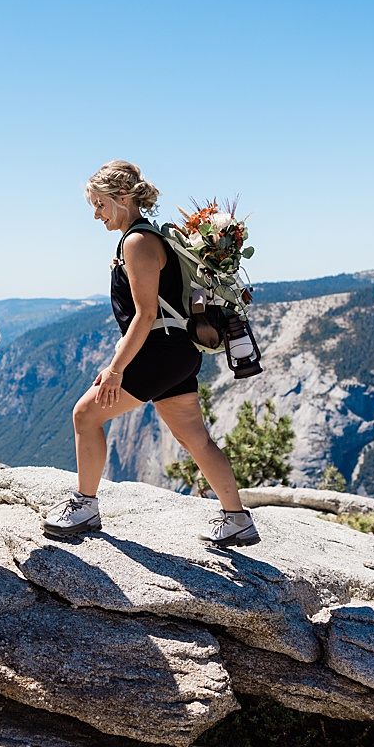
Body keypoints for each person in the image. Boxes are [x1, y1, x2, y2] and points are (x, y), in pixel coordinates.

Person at [40, 161, 258, 547]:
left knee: (85, 415)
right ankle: (237, 519)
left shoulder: (137, 242)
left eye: (100, 204)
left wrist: (115, 369)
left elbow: (144, 315)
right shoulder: (149, 237)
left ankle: (85, 505)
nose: (96, 214)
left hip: (158, 352)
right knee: (195, 438)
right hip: (177, 352)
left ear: (122, 199)